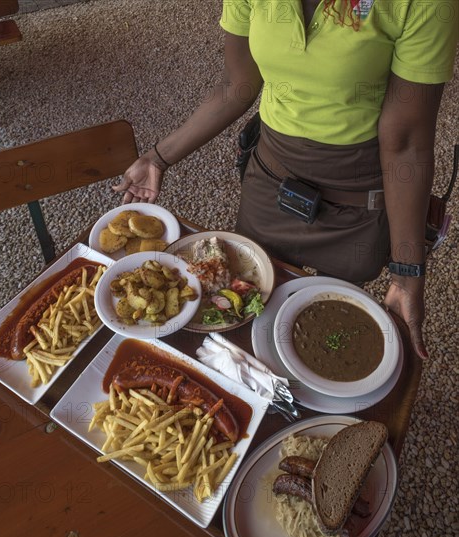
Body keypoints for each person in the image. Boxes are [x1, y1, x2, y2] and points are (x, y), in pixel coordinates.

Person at [113, 0, 458, 359]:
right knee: (242, 311)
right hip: (271, 182)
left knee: (326, 331)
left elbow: (407, 143)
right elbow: (238, 85)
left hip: (357, 204)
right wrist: (158, 157)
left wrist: (407, 273)